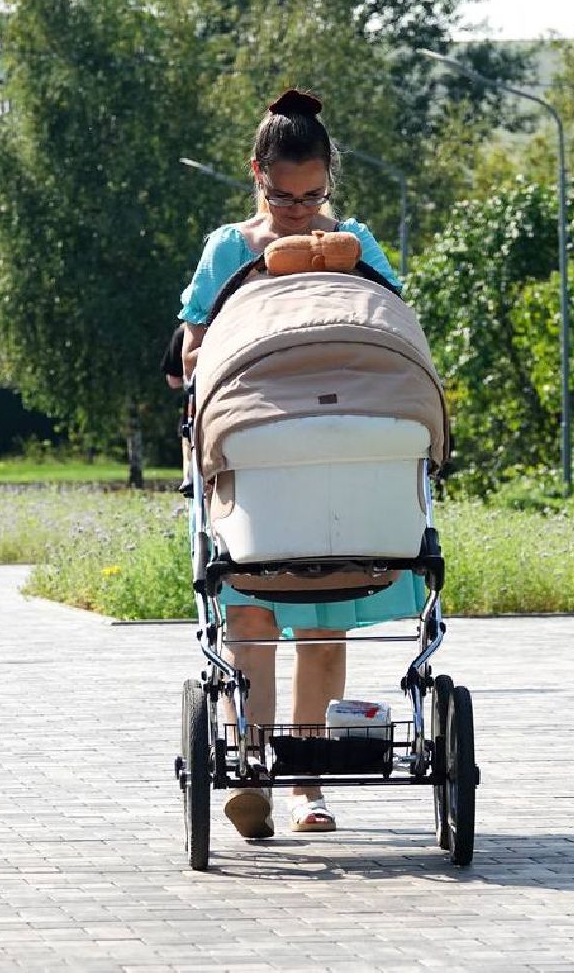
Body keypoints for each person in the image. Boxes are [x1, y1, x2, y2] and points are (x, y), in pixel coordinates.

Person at [176, 88, 422, 839]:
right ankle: (251, 764)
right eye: (283, 198)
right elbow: (189, 352)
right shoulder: (227, 248)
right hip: (256, 448)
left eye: (312, 196)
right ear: (257, 175)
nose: (298, 212)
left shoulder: (356, 242)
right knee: (249, 617)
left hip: (335, 448)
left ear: (329, 183)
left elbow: (391, 328)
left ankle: (306, 782)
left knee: (323, 626)